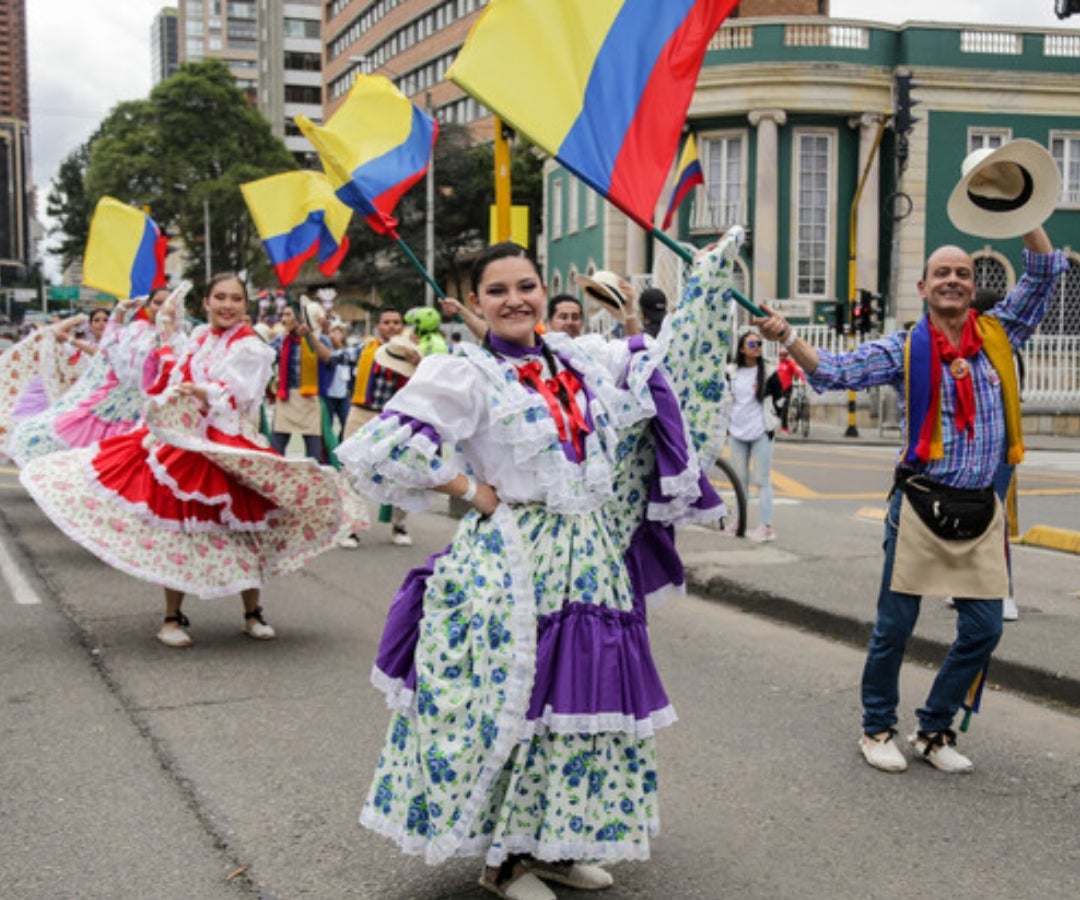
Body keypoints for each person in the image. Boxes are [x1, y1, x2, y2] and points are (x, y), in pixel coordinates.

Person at [336, 237, 737, 900]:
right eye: (497, 291)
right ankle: (503, 862)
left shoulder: (581, 358)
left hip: (592, 562)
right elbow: (375, 450)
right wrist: (467, 489)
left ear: (542, 291)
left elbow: (665, 370)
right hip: (514, 564)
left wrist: (705, 285)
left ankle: (552, 842)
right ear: (476, 304)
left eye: (525, 286)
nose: (515, 300)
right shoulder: (464, 372)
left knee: (580, 703)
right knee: (516, 707)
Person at [755, 226, 1065, 774]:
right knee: (894, 627)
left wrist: (1021, 207)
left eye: (962, 273)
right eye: (941, 273)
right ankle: (876, 727)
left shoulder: (1000, 334)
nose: (952, 280)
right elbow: (833, 372)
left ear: (973, 287)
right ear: (923, 288)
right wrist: (786, 335)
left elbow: (1042, 273)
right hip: (921, 507)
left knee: (985, 630)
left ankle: (933, 728)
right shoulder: (903, 349)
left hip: (980, 509)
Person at [20, 273, 366, 648]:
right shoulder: (199, 338)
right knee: (177, 527)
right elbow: (170, 376)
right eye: (220, 297)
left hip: (227, 444)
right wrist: (168, 359)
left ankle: (252, 612)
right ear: (206, 302)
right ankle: (172, 616)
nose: (227, 305)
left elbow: (242, 395)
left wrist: (204, 390)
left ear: (245, 306)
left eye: (235, 298)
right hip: (182, 442)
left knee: (245, 529)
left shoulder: (252, 346)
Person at [6, 287, 177, 467]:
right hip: (116, 399)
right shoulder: (136, 330)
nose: (163, 308)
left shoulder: (177, 337)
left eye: (168, 303)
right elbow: (109, 348)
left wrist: (168, 337)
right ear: (148, 306)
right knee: (86, 440)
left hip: (149, 406)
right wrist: (119, 311)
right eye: (158, 303)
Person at [340, 308, 419, 547]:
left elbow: (430, 383)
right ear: (379, 326)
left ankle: (399, 525)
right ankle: (349, 528)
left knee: (401, 473)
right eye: (387, 322)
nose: (392, 326)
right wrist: (311, 335)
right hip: (362, 414)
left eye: (396, 322)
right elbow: (331, 358)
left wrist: (420, 364)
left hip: (397, 418)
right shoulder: (364, 350)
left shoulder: (414, 353)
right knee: (353, 472)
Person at [723, 327, 784, 542]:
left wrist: (775, 421)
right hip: (737, 433)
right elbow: (725, 399)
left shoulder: (768, 371)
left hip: (760, 432)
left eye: (759, 344)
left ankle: (766, 527)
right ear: (741, 349)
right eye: (752, 344)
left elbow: (780, 398)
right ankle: (739, 522)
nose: (757, 347)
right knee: (740, 482)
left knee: (762, 480)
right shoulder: (731, 372)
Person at [268, 301, 334, 460]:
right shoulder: (281, 341)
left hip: (310, 400)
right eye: (283, 315)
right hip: (286, 398)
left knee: (314, 455)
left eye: (288, 315)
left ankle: (313, 483)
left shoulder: (321, 339)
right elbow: (263, 356)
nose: (283, 319)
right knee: (276, 451)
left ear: (301, 317)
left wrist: (309, 336)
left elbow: (329, 360)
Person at [324, 322, 358, 442]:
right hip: (328, 393)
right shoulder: (326, 350)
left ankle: (339, 445)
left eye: (338, 332)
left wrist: (339, 346)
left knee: (347, 422)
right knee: (327, 425)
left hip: (344, 393)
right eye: (332, 331)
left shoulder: (349, 351)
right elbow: (330, 360)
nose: (335, 335)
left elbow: (348, 358)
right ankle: (328, 452)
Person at [775, 346, 806, 434]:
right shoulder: (779, 364)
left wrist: (803, 380)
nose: (782, 357)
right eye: (780, 355)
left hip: (787, 388)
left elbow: (798, 372)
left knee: (784, 407)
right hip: (779, 389)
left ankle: (784, 427)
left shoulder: (790, 363)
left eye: (784, 355)